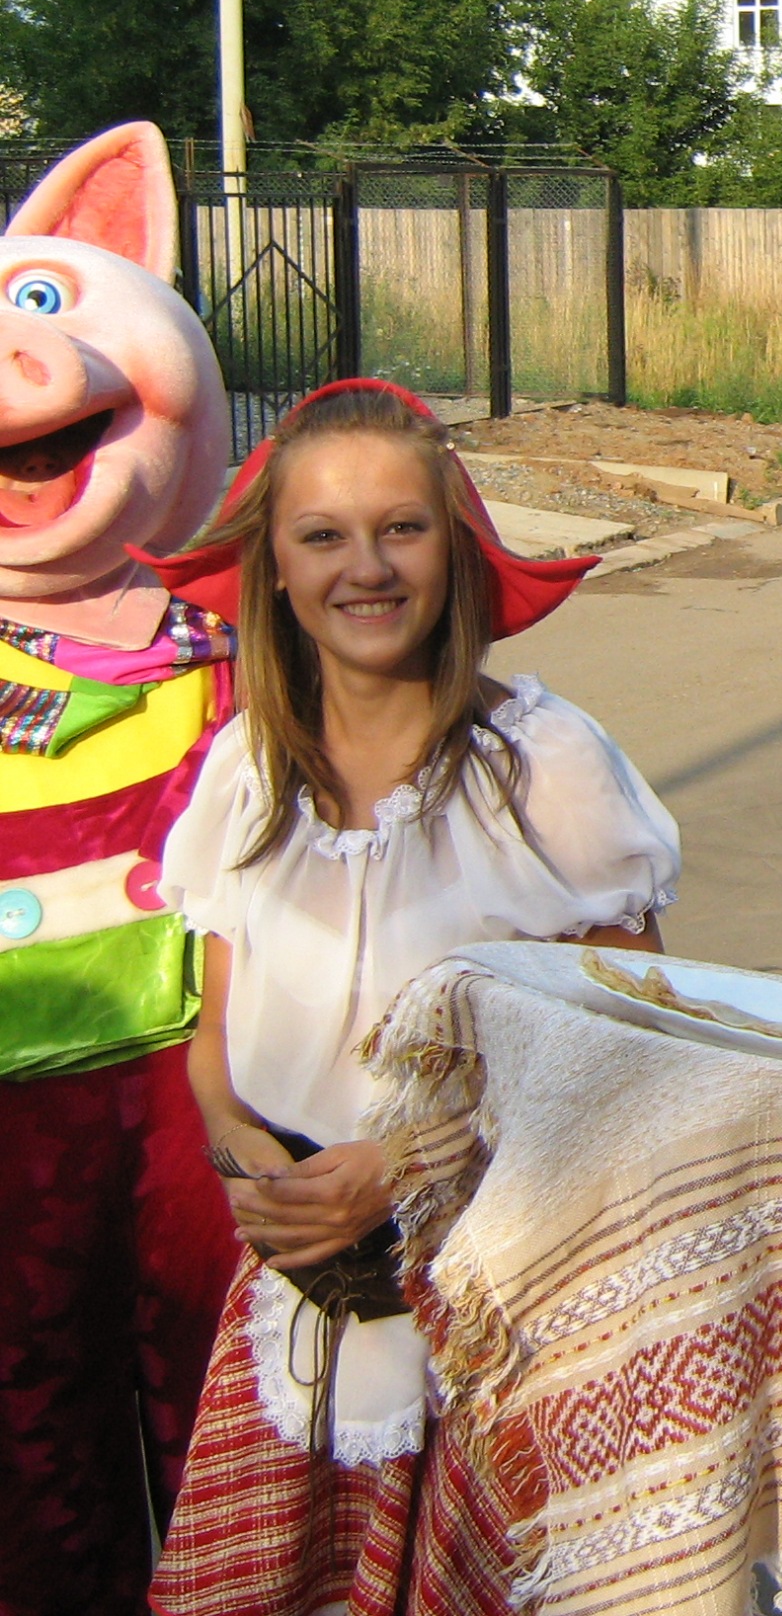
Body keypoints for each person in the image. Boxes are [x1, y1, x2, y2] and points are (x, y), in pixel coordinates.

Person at [142, 381, 681, 1616]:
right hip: (294, 1295)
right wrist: (245, 1160)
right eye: (323, 536)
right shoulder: (244, 771)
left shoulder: (542, 765)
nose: (367, 568)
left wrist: (402, 1166)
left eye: (402, 529)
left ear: (457, 550)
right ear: (276, 569)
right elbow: (216, 1039)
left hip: (499, 1309)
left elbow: (641, 1038)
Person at [0, 123, 241, 1616]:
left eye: (44, 301)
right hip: (10, 1129)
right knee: (31, 1456)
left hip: (209, 1097)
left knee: (228, 1417)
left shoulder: (240, 648)